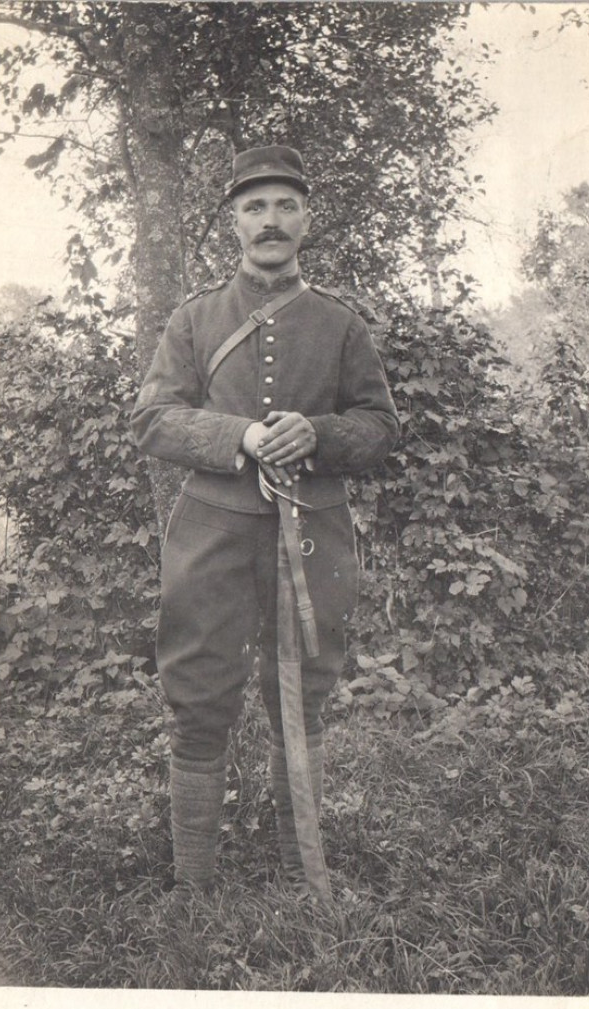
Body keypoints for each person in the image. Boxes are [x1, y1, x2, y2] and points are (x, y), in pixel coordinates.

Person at [131, 144, 400, 902]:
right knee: (198, 692)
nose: (270, 221)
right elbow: (151, 419)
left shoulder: (341, 325)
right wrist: (239, 437)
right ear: (233, 223)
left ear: (307, 219)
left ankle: (300, 870)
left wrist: (319, 434)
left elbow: (380, 426)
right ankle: (193, 887)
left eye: (285, 205)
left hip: (314, 529)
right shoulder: (196, 319)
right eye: (255, 207)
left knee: (304, 694)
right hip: (211, 531)